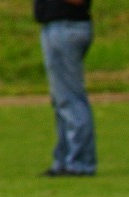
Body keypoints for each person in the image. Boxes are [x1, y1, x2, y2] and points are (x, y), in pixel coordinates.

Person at [35, 0, 96, 177]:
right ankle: (64, 159)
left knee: (70, 99)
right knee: (61, 99)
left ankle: (80, 162)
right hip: (55, 27)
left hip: (67, 26)